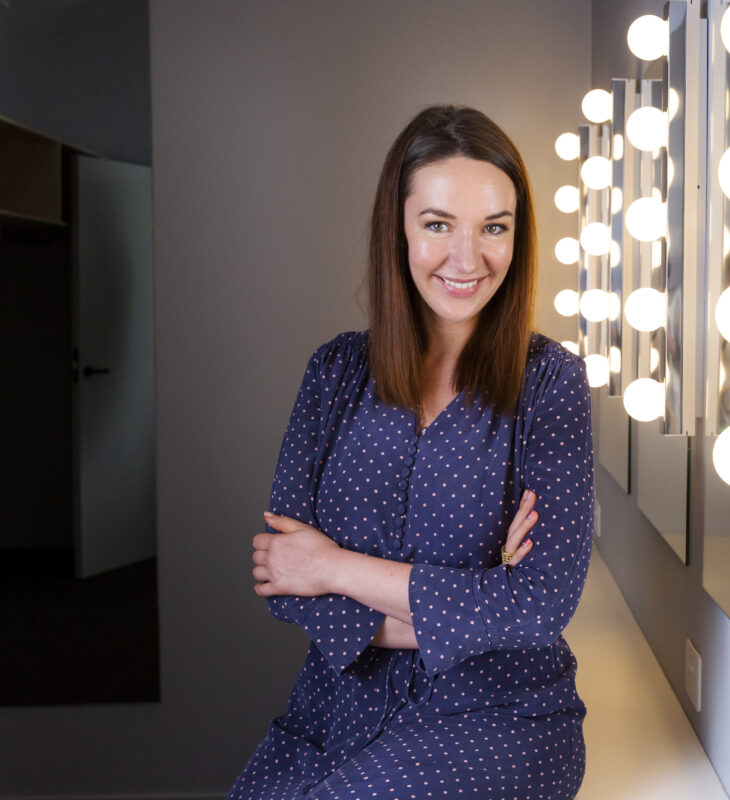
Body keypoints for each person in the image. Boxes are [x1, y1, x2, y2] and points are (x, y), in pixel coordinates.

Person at [228, 105, 593, 800]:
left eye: (494, 228)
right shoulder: (333, 373)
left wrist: (332, 566)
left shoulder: (551, 384)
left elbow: (541, 606)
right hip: (338, 706)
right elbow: (283, 581)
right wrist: (481, 598)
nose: (468, 258)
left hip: (503, 718)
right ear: (397, 228)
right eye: (437, 225)